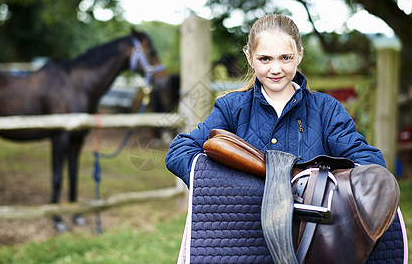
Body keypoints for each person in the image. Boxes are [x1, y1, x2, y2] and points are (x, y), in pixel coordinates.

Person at [165, 14, 385, 187]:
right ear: (250, 58)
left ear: (299, 55)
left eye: (285, 58)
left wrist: (326, 187)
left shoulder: (326, 109)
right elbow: (180, 151)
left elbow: (369, 160)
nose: (276, 69)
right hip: (245, 224)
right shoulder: (232, 107)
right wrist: (227, 185)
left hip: (313, 227)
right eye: (265, 59)